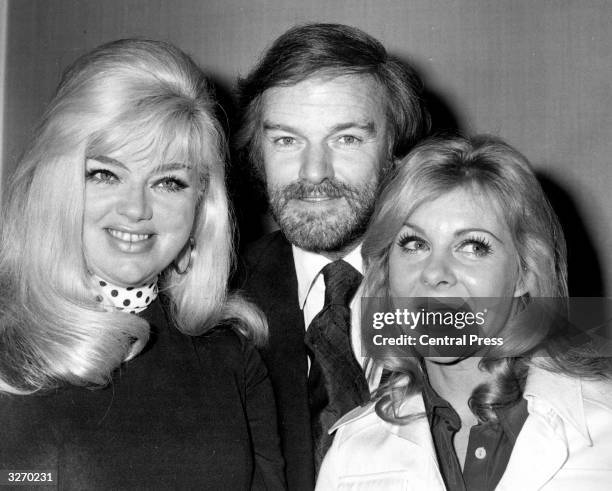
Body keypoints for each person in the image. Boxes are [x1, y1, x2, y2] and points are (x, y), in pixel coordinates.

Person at [0, 39, 286, 490]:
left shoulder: (231, 354)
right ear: (57, 180)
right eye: (105, 173)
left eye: (169, 181)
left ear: (201, 206)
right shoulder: (7, 335)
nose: (136, 209)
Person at [316, 135, 612, 490]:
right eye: (414, 244)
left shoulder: (603, 428)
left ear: (524, 274)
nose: (435, 273)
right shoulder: (352, 453)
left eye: (472, 246)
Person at [235, 22, 430, 488]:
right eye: (286, 139)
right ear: (257, 154)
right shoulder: (211, 303)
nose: (314, 171)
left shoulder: (466, 287)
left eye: (347, 139)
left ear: (396, 152)